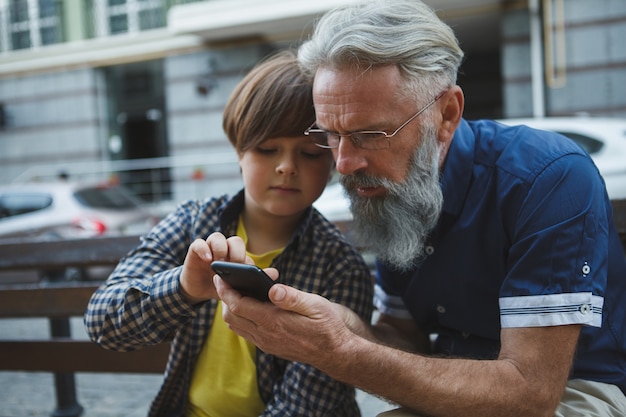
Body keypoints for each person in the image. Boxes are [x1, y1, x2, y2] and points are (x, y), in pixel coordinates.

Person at [214, 1, 626, 416]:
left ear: (446, 114)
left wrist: (340, 352)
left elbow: (530, 394)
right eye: (331, 135)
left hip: (575, 390)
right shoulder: (392, 189)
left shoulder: (546, 178)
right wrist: (337, 325)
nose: (344, 164)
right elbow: (403, 339)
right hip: (455, 386)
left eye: (370, 134)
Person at [84, 50, 374, 417]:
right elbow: (102, 322)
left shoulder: (340, 267)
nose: (286, 167)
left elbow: (307, 406)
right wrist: (185, 288)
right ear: (239, 150)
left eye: (310, 153)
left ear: (333, 161)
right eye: (268, 149)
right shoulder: (192, 223)